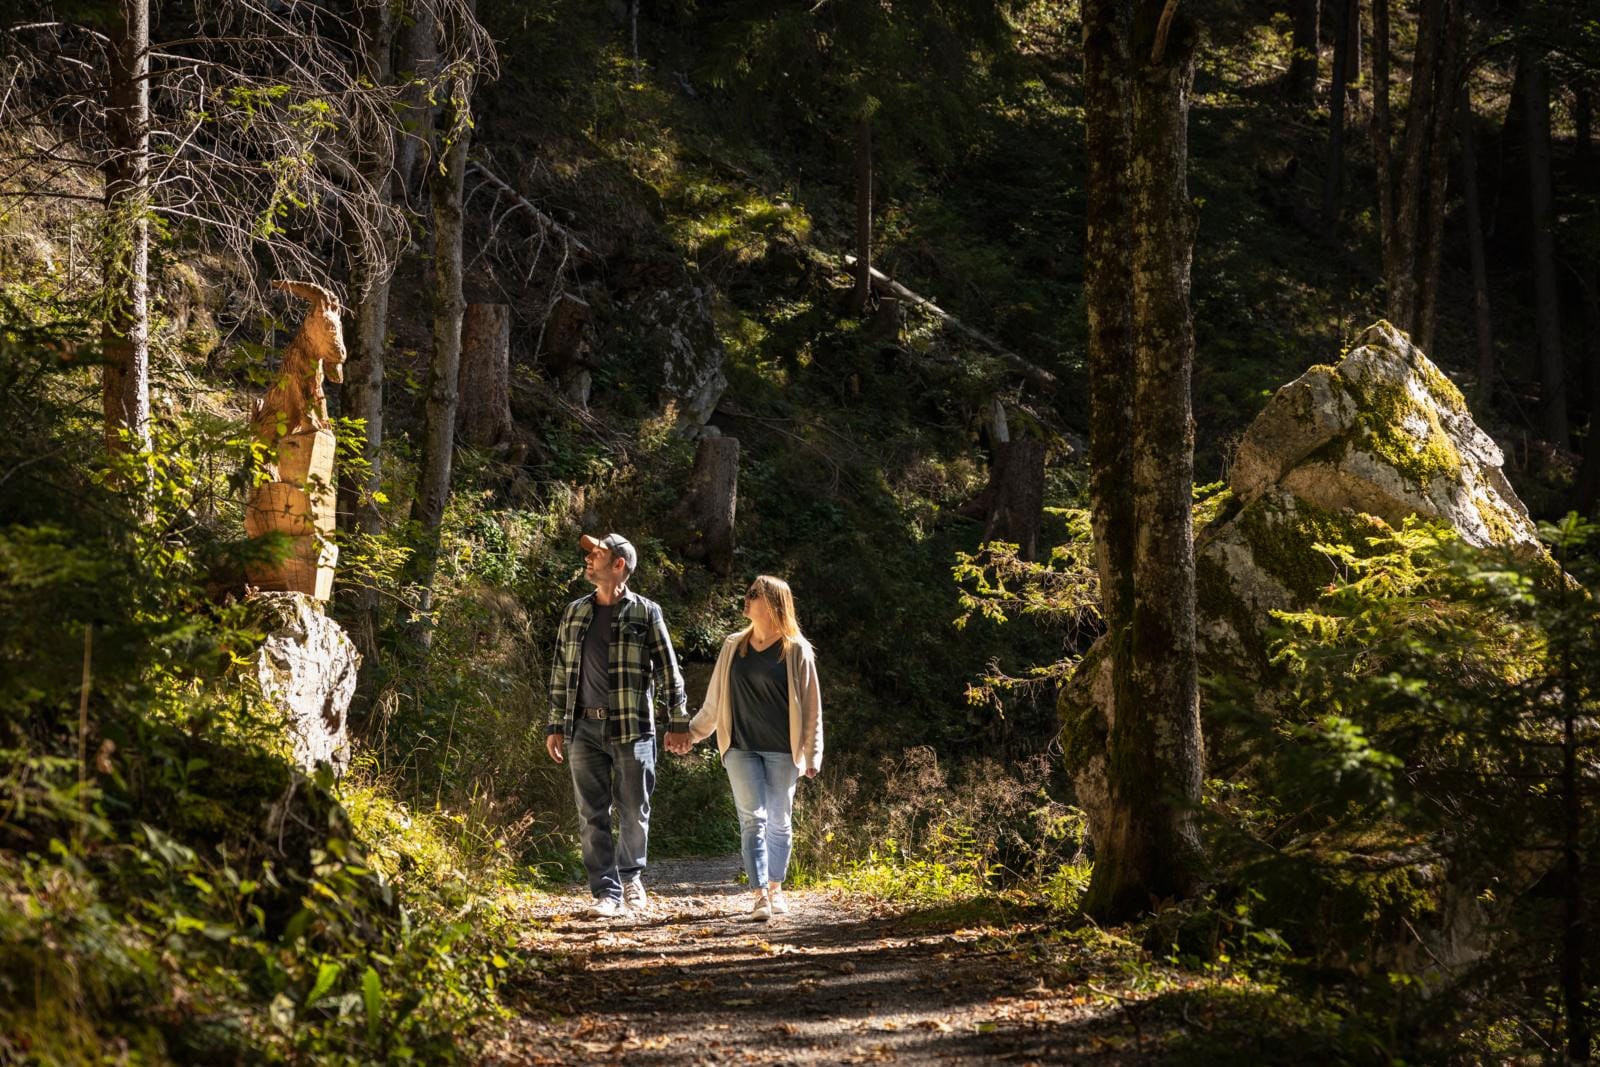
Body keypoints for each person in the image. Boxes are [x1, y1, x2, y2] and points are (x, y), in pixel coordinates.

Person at [547, 532, 689, 918]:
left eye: (598, 554)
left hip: (633, 729)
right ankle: (605, 893)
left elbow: (669, 672)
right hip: (582, 729)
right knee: (591, 813)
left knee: (634, 811)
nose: (590, 558)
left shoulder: (646, 612)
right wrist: (554, 724)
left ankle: (631, 881)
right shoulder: (575, 611)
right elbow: (561, 672)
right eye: (590, 553)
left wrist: (677, 721)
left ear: (619, 565)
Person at [668, 575, 823, 922]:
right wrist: (690, 734)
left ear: (772, 603)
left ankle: (776, 887)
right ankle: (759, 896)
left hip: (784, 750)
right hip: (740, 747)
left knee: (779, 822)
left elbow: (812, 709)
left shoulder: (796, 649)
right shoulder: (733, 646)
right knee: (753, 819)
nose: (747, 599)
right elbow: (714, 702)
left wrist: (812, 754)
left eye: (754, 595)